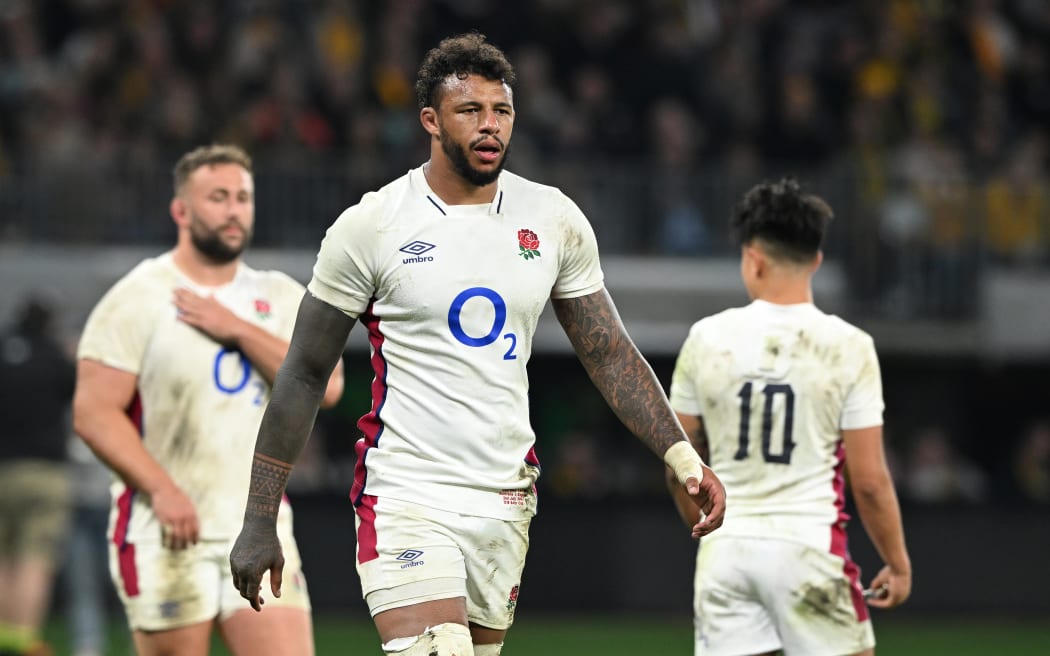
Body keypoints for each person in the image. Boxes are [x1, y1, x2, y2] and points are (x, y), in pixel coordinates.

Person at [229, 32, 727, 656]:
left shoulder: (551, 218)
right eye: (471, 111)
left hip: (505, 496)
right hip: (407, 491)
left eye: (502, 111)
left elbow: (608, 351)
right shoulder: (372, 225)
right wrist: (259, 518)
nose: (490, 126)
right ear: (431, 121)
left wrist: (681, 456)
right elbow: (303, 372)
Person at [72, 144, 345, 656]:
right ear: (181, 210)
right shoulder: (137, 297)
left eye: (243, 197)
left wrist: (238, 329)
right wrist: (162, 489)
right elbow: (93, 413)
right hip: (166, 530)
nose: (234, 209)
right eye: (217, 197)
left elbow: (327, 387)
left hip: (258, 525)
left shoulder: (281, 295)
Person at [666, 178, 912, 656]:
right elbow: (869, 482)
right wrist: (897, 564)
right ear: (816, 260)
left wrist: (707, 534)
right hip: (808, 547)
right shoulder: (849, 346)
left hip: (727, 553)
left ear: (752, 258)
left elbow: (682, 463)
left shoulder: (706, 337)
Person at [0, 295, 76, 656]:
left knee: (2, 556)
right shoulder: (54, 357)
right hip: (44, 472)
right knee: (34, 557)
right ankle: (24, 638)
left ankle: (2, 635)